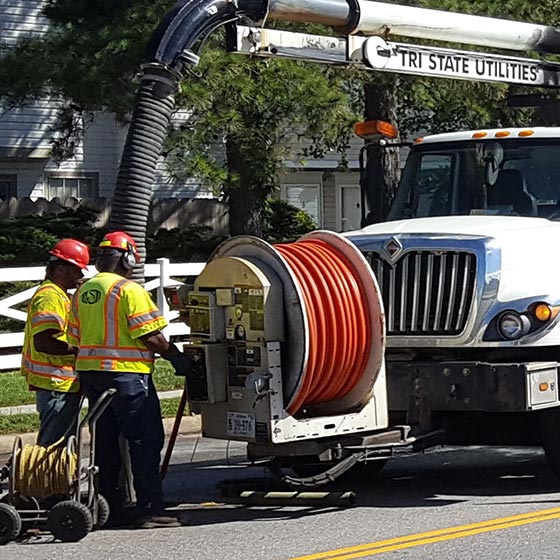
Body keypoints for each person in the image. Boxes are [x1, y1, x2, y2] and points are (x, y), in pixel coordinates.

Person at [68, 231, 188, 529]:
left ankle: (113, 506)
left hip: (91, 376)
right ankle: (150, 509)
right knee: (144, 441)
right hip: (126, 377)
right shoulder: (128, 290)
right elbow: (151, 336)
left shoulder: (83, 291)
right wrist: (177, 358)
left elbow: (74, 336)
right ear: (128, 258)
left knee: (106, 443)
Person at [21, 238, 90, 446]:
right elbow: (44, 342)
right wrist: (80, 351)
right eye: (77, 269)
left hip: (60, 383)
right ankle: (42, 480)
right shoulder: (50, 297)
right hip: (56, 384)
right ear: (60, 269)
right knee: (54, 449)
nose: (81, 275)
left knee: (64, 448)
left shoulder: (60, 295)